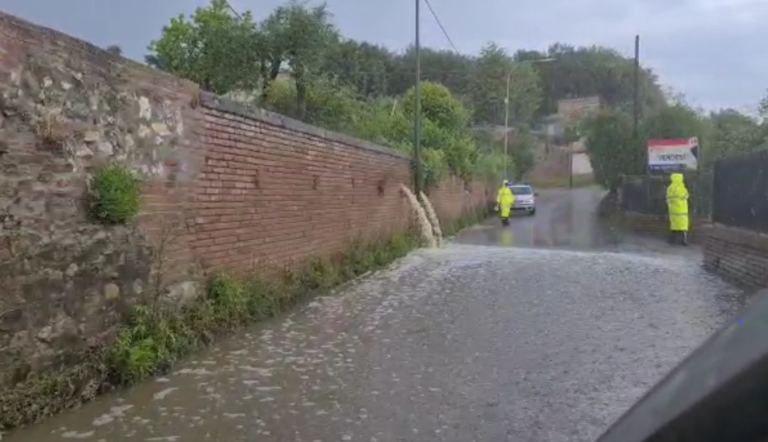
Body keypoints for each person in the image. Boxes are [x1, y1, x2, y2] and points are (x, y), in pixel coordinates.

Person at [666, 173, 690, 245]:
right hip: (682, 210)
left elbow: (668, 199)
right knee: (683, 227)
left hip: (673, 211)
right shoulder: (682, 188)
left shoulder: (669, 188)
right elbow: (686, 196)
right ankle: (684, 241)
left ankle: (672, 240)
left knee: (673, 226)